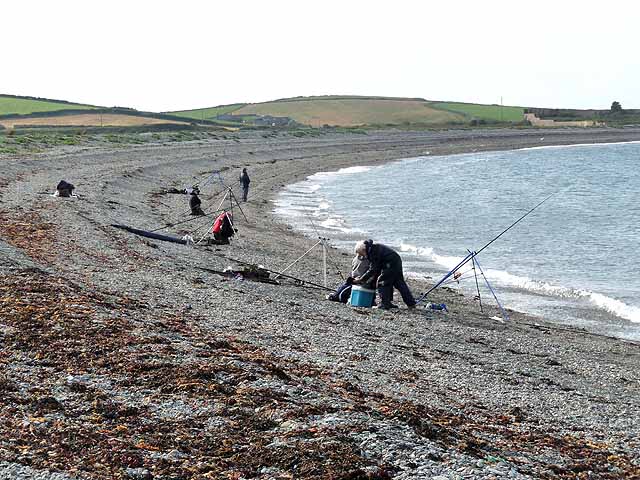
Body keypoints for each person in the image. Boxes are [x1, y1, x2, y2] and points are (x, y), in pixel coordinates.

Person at [353, 239, 416, 310]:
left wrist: (361, 279)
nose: (363, 257)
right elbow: (375, 268)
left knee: (382, 282)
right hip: (396, 260)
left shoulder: (373, 252)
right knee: (398, 282)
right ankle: (411, 304)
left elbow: (373, 269)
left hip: (390, 263)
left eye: (362, 254)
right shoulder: (373, 248)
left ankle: (385, 304)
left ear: (364, 250)